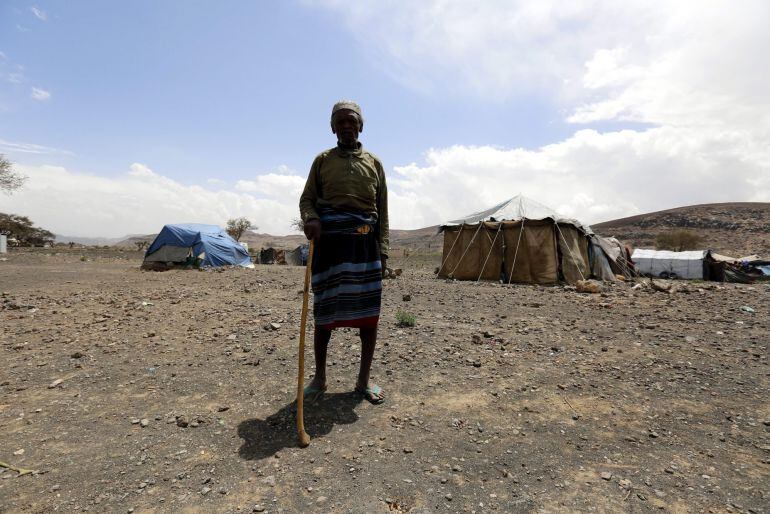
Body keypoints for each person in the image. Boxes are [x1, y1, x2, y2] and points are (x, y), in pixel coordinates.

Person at [298, 100, 388, 404]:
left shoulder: (374, 163)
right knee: (324, 316)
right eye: (340, 122)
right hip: (330, 246)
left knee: (368, 318)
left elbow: (383, 212)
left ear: (360, 125)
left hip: (365, 247)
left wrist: (383, 252)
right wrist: (311, 218)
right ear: (332, 127)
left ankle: (363, 382)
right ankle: (320, 379)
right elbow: (307, 199)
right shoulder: (322, 161)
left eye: (352, 121)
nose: (347, 126)